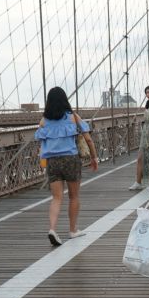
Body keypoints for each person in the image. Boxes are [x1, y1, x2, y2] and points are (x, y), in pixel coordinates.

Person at [35, 86, 98, 245]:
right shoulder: (73, 117)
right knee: (74, 196)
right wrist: (94, 157)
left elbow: (41, 143)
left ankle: (52, 229)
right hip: (70, 160)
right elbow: (88, 139)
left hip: (52, 162)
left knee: (56, 198)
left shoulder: (44, 121)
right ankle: (73, 230)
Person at [128, 85, 149, 190]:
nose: (148, 95)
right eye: (146, 93)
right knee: (140, 157)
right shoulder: (148, 105)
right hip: (145, 134)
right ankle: (138, 182)